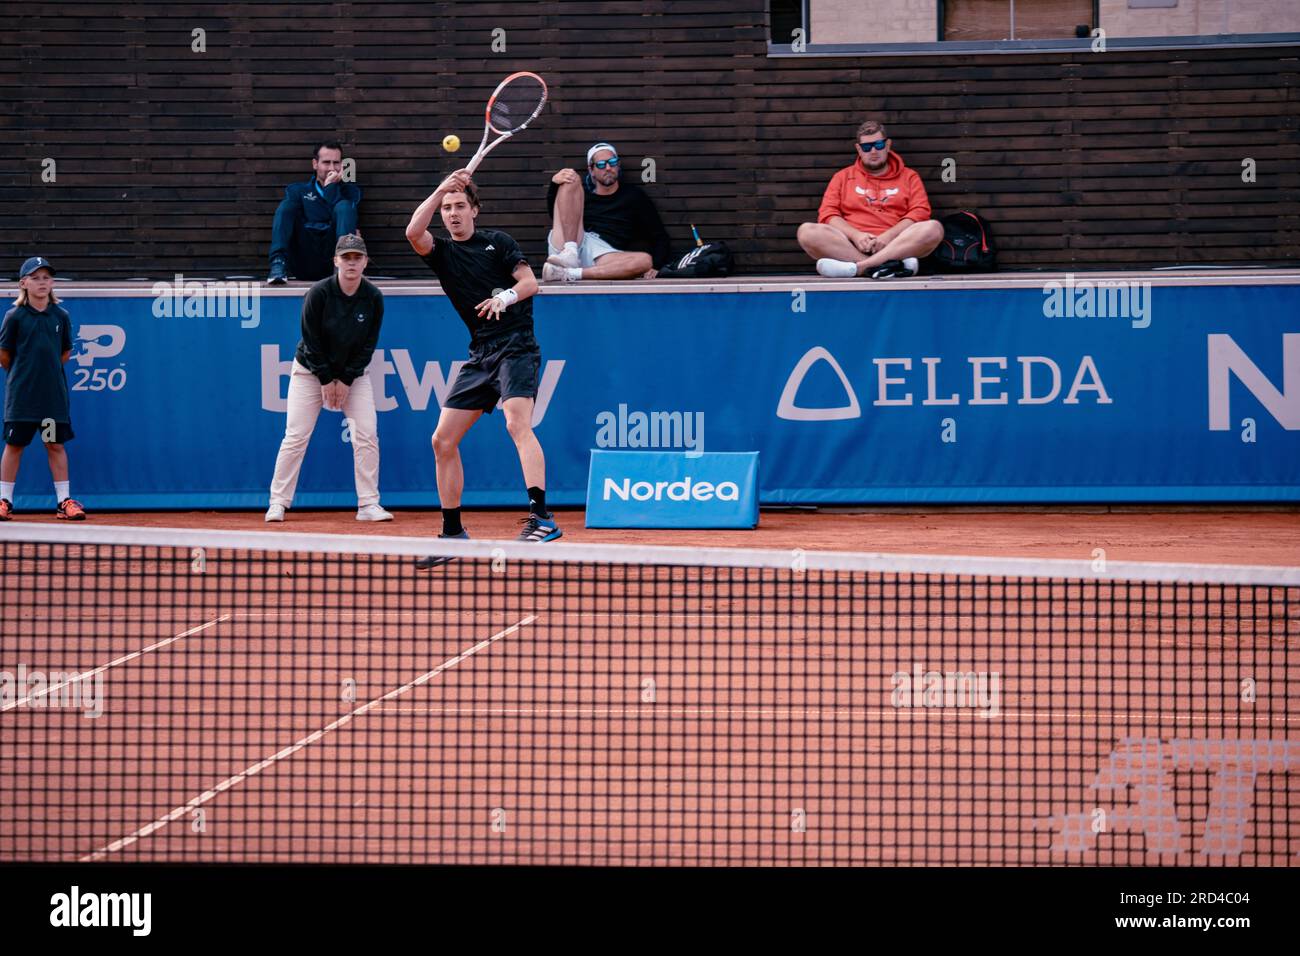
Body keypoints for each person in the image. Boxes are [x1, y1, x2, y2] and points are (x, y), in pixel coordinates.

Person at [405, 169, 560, 567]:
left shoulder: (498, 243)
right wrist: (441, 186)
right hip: (480, 353)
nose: (453, 214)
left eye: (459, 206)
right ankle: (453, 533)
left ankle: (542, 518)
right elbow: (412, 232)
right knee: (442, 441)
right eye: (447, 208)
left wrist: (504, 298)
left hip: (516, 345)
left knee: (516, 422)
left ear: (474, 210)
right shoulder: (441, 253)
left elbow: (530, 284)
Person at [266, 234, 391, 523]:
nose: (351, 262)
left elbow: (368, 344)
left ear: (365, 262)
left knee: (367, 435)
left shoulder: (373, 297)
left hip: (353, 376)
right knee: (295, 436)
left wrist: (345, 380)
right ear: (336, 261)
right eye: (345, 257)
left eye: (356, 257)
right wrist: (326, 379)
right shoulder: (318, 293)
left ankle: (369, 505)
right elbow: (311, 340)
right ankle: (278, 502)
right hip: (309, 372)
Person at [797, 119, 943, 279]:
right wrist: (856, 236)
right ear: (859, 149)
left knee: (934, 228)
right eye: (867, 147)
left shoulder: (909, 176)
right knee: (806, 231)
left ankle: (860, 268)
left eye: (878, 145)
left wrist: (888, 237)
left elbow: (920, 212)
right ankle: (888, 266)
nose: (873, 151)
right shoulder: (842, 177)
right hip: (850, 246)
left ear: (888, 145)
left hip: (896, 243)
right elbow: (828, 214)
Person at [0, 256, 86, 521]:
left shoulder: (61, 316)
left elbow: (64, 353)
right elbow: (4, 355)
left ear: (52, 283)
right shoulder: (14, 316)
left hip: (51, 401)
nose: (42, 282)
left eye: (46, 277)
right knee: (15, 446)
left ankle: (64, 502)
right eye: (35, 278)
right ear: (24, 283)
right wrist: (24, 375)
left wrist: (44, 375)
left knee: (54, 444)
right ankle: (4, 501)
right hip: (23, 400)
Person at [542, 142, 671, 282]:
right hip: (574, 241)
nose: (608, 168)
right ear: (591, 170)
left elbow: (659, 236)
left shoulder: (633, 196)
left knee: (645, 261)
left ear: (618, 165)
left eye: (613, 162)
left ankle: (570, 273)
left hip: (605, 256)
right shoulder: (581, 193)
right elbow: (558, 217)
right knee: (571, 178)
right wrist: (554, 184)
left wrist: (657, 266)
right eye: (601, 164)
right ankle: (570, 254)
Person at [267, 141, 361, 285]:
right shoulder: (297, 191)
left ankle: (343, 266)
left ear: (342, 165)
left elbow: (345, 217)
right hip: (304, 258)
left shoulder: (350, 192)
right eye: (326, 162)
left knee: (344, 207)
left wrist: (331, 188)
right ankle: (278, 264)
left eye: (336, 163)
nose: (331, 168)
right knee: (286, 206)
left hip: (333, 261)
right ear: (315, 164)